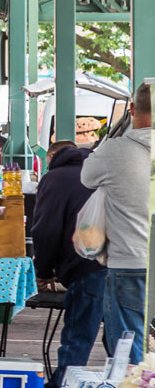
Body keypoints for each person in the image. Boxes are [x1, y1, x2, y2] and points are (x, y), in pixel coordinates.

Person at [81, 82, 152, 363]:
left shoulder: (115, 150)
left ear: (132, 109)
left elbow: (87, 177)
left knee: (128, 348)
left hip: (129, 262)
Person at [31, 140, 108, 388]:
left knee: (77, 337)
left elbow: (46, 230)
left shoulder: (55, 178)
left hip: (86, 266)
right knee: (121, 339)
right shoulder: (100, 172)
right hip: (122, 262)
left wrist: (43, 271)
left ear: (53, 157)